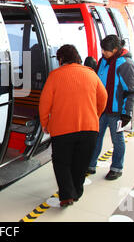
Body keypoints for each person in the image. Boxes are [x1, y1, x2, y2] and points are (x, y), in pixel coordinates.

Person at [39, 44, 107, 207]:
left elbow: (44, 103)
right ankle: (76, 192)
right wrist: (94, 116)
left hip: (62, 129)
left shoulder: (55, 75)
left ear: (61, 59)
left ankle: (67, 195)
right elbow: (103, 98)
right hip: (89, 128)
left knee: (62, 162)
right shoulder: (91, 74)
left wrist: (45, 123)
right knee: (81, 162)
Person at [87, 35, 134, 180]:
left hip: (117, 111)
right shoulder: (103, 61)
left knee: (117, 140)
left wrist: (126, 113)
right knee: (95, 137)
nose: (103, 52)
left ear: (115, 49)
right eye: (102, 49)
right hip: (101, 109)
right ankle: (90, 164)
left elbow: (131, 91)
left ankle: (116, 168)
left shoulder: (126, 64)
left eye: (106, 50)